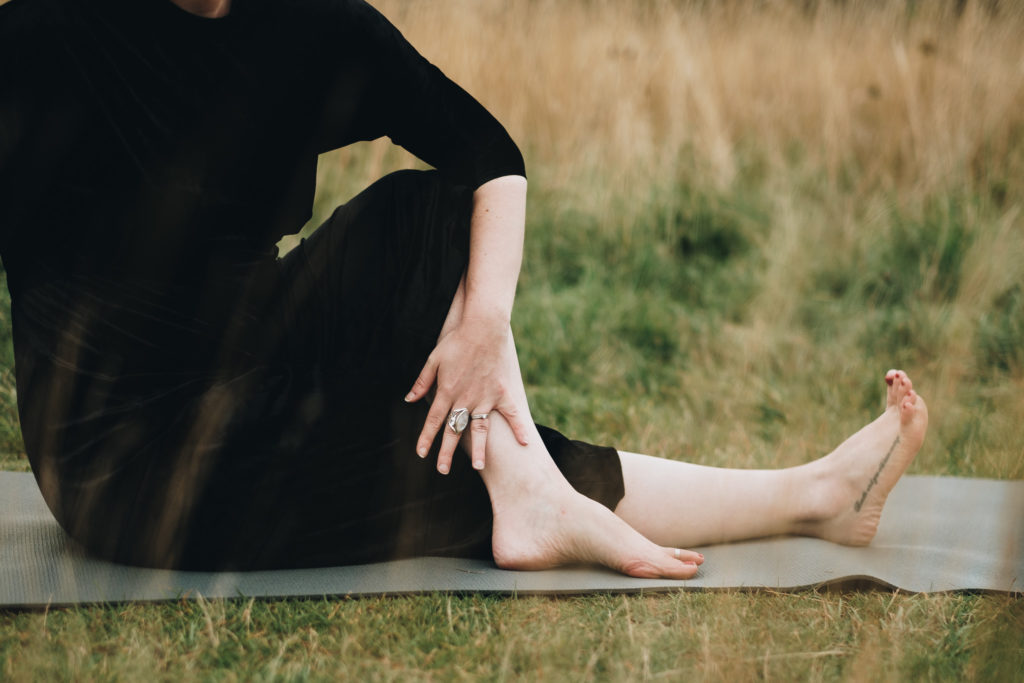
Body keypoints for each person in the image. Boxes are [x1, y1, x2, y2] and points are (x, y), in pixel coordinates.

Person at [0, 0, 928, 578]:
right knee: (445, 474)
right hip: (131, 464)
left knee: (431, 211)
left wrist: (483, 327)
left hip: (262, 364)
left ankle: (552, 490)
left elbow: (493, 159)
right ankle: (805, 497)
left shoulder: (307, 25)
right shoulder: (45, 36)